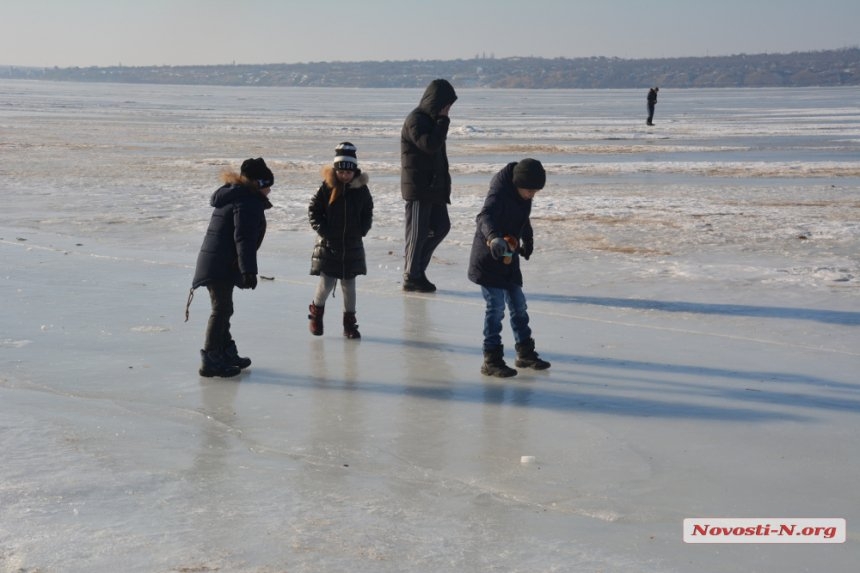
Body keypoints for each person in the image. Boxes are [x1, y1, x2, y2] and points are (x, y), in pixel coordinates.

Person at [186, 158, 274, 377]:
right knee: (222, 309)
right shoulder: (247, 201)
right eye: (268, 185)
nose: (270, 191)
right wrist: (248, 271)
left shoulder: (235, 195)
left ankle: (225, 351)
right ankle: (211, 357)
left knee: (225, 308)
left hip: (218, 262)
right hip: (220, 264)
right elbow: (243, 238)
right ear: (258, 184)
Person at [468, 158, 552, 378]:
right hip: (488, 256)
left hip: (509, 255)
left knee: (519, 305)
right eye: (529, 190)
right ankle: (491, 359)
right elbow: (483, 216)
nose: (532, 195)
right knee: (495, 307)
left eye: (536, 191)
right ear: (517, 184)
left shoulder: (523, 194)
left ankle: (525, 352)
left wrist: (528, 240)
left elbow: (524, 219)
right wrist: (494, 238)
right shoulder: (499, 193)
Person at [307, 142, 374, 339]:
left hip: (352, 244)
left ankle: (349, 324)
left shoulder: (361, 190)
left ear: (354, 171)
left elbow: (368, 210)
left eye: (348, 172)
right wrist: (324, 230)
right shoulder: (326, 188)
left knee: (349, 285)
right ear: (335, 171)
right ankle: (316, 314)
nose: (344, 175)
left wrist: (363, 228)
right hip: (329, 245)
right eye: (341, 172)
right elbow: (313, 210)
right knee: (326, 283)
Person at [400, 78, 458, 292]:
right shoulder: (416, 120)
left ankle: (417, 270)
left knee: (441, 227)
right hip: (418, 189)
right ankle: (411, 275)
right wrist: (443, 121)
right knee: (416, 234)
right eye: (447, 105)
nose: (448, 110)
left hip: (434, 189)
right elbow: (429, 146)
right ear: (436, 102)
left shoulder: (434, 121)